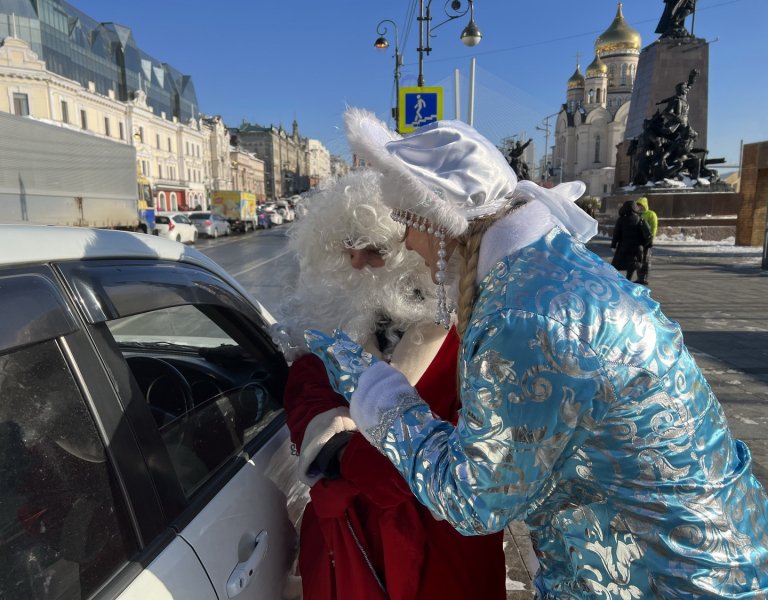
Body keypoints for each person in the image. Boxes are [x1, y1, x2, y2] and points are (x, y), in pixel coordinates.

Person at [305, 108, 768, 597]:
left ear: (437, 221)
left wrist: (380, 397)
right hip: (684, 557)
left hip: (664, 578)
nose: (407, 242)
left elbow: (474, 499)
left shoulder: (521, 317)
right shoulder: (544, 270)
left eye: (407, 223)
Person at [272, 170, 507, 600]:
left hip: (442, 544)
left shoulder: (473, 328)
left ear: (414, 251)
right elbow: (305, 389)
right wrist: (339, 446)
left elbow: (483, 447)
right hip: (350, 543)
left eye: (374, 249)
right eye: (345, 247)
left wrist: (353, 456)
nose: (356, 261)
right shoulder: (325, 316)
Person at [610, 199, 650, 281]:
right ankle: (628, 280)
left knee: (616, 266)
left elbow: (616, 234)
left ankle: (615, 281)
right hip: (637, 248)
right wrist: (646, 245)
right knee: (632, 264)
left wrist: (613, 245)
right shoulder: (640, 219)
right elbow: (647, 233)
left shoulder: (621, 220)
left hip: (623, 247)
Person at [635, 196, 659, 284]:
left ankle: (645, 278)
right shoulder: (637, 214)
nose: (639, 207)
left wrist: (651, 237)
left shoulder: (651, 214)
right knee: (638, 259)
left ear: (645, 205)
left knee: (646, 259)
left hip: (647, 240)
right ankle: (639, 277)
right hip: (638, 241)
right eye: (638, 205)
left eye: (640, 205)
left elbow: (654, 226)